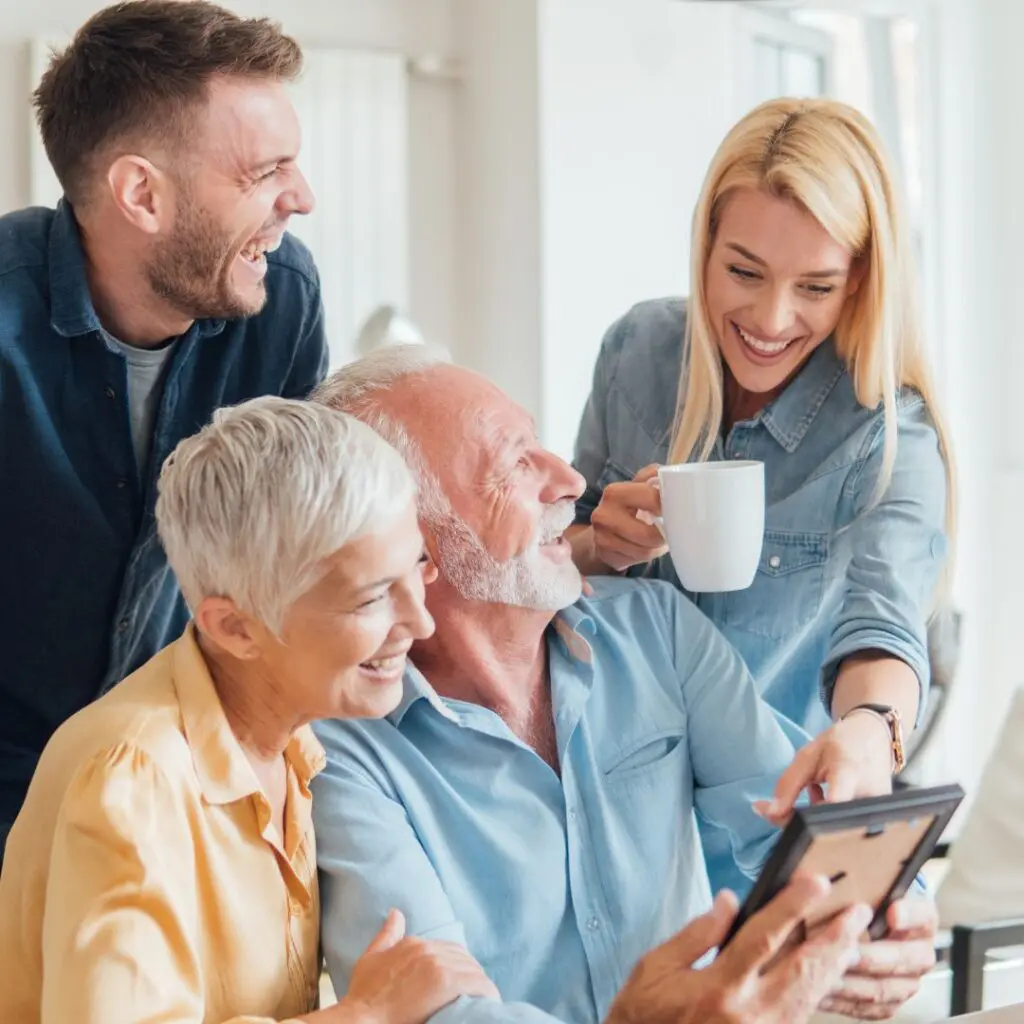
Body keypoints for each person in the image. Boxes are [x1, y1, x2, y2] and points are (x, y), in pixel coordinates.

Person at [310, 346, 938, 1024]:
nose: (571, 482)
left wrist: (888, 915)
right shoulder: (338, 748)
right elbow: (436, 1014)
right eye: (515, 464)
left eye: (540, 446)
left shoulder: (656, 631)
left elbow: (793, 834)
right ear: (410, 541)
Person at [0, 397, 501, 1024]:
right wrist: (367, 1015)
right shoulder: (132, 779)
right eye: (372, 598)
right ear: (235, 628)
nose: (421, 623)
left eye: (417, 566)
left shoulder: (293, 741)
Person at [568, 97, 953, 896]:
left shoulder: (889, 435)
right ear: (705, 246)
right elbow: (551, 562)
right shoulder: (636, 353)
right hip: (610, 834)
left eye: (815, 286)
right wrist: (596, 545)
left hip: (765, 846)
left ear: (859, 281)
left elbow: (884, 629)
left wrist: (869, 728)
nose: (771, 319)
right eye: (743, 272)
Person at [0, 0, 328, 857]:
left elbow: (300, 543)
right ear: (141, 193)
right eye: (265, 172)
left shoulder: (282, 298)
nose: (302, 198)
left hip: (188, 781)